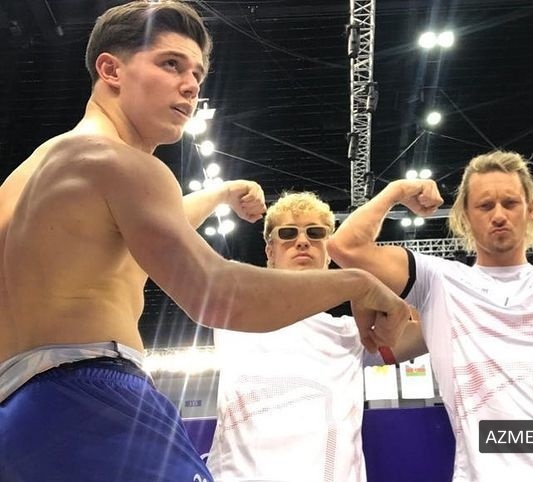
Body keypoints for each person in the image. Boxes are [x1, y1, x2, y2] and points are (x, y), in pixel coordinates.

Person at [0, 2, 410, 481]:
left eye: (197, 73)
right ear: (110, 69)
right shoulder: (123, 163)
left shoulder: (26, 180)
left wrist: (219, 194)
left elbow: (138, 230)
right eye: (171, 64)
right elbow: (217, 295)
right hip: (95, 402)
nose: (191, 85)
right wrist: (357, 283)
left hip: (16, 418)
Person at [328, 150, 533, 481]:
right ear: (465, 215)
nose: (499, 215)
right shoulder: (439, 282)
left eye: (510, 203)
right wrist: (398, 191)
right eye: (485, 205)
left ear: (530, 209)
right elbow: (345, 247)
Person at [207, 192, 427, 482]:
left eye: (315, 233)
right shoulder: (234, 310)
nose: (302, 241)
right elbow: (166, 234)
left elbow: (431, 328)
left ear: (328, 253)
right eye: (288, 233)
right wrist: (223, 194)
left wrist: (394, 193)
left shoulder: (352, 335)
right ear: (270, 251)